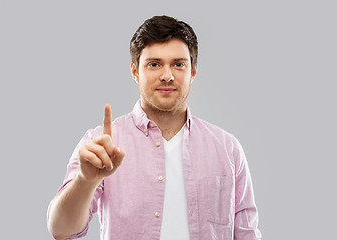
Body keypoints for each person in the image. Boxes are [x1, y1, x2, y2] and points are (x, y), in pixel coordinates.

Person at [47, 15, 262, 240]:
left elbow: (247, 234)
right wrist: (85, 181)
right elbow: (61, 230)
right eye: (154, 64)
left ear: (193, 72)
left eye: (178, 64)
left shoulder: (228, 148)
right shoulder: (99, 145)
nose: (167, 76)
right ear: (135, 72)